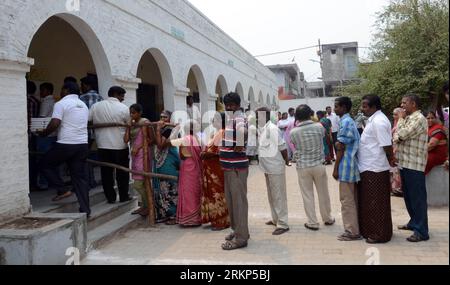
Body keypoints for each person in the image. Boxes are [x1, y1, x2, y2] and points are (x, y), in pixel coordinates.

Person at [38, 82, 91, 216]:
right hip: (82, 145)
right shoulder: (83, 105)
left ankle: (62, 189)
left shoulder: (61, 104)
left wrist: (44, 133)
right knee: (79, 178)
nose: (60, 91)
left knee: (44, 164)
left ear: (66, 90)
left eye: (62, 89)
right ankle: (86, 210)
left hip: (66, 144)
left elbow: (55, 123)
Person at [358, 95, 395, 244]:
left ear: (374, 107)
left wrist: (391, 159)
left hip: (376, 168)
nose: (362, 109)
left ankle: (380, 234)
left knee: (376, 203)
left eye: (365, 106)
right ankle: (372, 230)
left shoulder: (379, 121)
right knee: (371, 202)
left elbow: (386, 145)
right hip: (369, 166)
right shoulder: (373, 120)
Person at [291, 105, 335, 231]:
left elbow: (295, 145)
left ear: (297, 117)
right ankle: (327, 218)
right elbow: (324, 139)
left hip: (303, 167)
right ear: (310, 114)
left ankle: (312, 222)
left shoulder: (294, 132)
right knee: (323, 193)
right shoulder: (319, 127)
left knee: (307, 195)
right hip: (318, 165)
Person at [394, 94, 430, 242]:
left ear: (413, 104)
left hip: (414, 165)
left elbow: (401, 134)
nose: (402, 106)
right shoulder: (409, 118)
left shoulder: (419, 119)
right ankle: (414, 223)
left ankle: (422, 231)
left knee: (417, 199)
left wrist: (400, 120)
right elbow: (396, 136)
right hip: (405, 164)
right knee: (409, 198)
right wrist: (399, 133)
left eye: (404, 103)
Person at [157, 120, 203, 227]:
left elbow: (169, 144)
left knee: (187, 193)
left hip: (187, 168)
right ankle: (197, 217)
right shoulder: (198, 138)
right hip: (196, 168)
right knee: (195, 192)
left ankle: (189, 219)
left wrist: (175, 130)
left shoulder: (185, 139)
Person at [90, 86, 131, 204]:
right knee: (122, 172)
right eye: (121, 96)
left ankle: (110, 197)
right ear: (116, 94)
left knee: (106, 172)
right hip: (119, 145)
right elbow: (129, 123)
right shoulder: (123, 108)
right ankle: (123, 196)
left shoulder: (96, 106)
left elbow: (88, 118)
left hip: (102, 144)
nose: (122, 99)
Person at [220, 92, 250, 251]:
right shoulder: (233, 118)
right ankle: (238, 230)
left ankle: (241, 238)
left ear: (237, 105)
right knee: (232, 202)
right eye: (227, 105)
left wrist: (240, 140)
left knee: (238, 203)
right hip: (229, 167)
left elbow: (243, 131)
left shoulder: (238, 118)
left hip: (236, 168)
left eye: (231, 105)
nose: (228, 108)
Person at [256, 107, 290, 235]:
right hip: (267, 168)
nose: (256, 118)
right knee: (272, 195)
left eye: (258, 116)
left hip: (275, 167)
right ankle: (276, 218)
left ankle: (283, 223)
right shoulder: (264, 129)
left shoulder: (272, 129)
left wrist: (286, 160)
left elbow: (283, 147)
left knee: (279, 196)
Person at [332, 97, 362, 241]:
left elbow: (341, 148)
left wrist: (335, 168)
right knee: (351, 199)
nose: (334, 109)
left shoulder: (346, 122)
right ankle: (354, 228)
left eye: (336, 106)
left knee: (347, 201)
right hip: (349, 165)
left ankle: (352, 231)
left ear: (343, 108)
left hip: (346, 165)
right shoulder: (347, 121)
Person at [200, 112, 231, 231]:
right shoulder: (216, 133)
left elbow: (220, 151)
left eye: (215, 120)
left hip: (216, 169)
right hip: (211, 168)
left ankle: (221, 221)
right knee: (213, 193)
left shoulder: (223, 132)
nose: (213, 122)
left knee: (217, 192)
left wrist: (206, 154)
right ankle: (215, 218)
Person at [124, 104, 153, 217]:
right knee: (141, 182)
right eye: (130, 113)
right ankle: (144, 205)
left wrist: (139, 146)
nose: (132, 115)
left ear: (140, 112)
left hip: (143, 154)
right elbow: (126, 140)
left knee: (138, 184)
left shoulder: (145, 122)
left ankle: (148, 206)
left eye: (134, 113)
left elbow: (151, 139)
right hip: (135, 156)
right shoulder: (131, 124)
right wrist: (128, 127)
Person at [153, 110, 180, 224]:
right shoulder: (165, 129)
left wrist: (158, 129)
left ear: (170, 119)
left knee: (170, 188)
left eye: (165, 117)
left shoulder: (169, 130)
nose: (162, 119)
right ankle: (164, 214)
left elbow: (160, 145)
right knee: (162, 189)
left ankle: (174, 215)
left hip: (168, 161)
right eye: (161, 116)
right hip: (161, 161)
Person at [391, 108, 404, 197]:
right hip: (394, 147)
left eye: (396, 114)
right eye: (394, 114)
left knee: (398, 169)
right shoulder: (395, 124)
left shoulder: (400, 124)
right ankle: (395, 188)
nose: (394, 116)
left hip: (398, 148)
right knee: (394, 170)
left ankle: (399, 189)